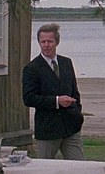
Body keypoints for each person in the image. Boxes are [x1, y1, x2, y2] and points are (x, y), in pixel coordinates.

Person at [22, 23, 85, 160]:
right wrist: (57, 101)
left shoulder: (66, 63)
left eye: (50, 41)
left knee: (80, 165)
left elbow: (74, 92)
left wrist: (77, 114)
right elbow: (28, 98)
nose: (46, 45)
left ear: (57, 42)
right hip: (48, 129)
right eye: (43, 41)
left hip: (71, 126)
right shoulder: (32, 68)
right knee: (45, 167)